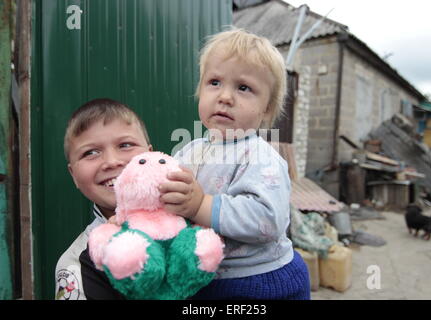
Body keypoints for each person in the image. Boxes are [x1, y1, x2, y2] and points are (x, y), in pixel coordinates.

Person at [159, 28, 311, 299]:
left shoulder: (260, 157)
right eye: (214, 82)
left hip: (257, 280)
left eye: (243, 88)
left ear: (266, 108)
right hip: (204, 275)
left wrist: (200, 205)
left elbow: (267, 219)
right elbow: (168, 195)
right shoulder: (189, 151)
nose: (225, 97)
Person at [55, 98, 153, 300]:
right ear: (73, 175)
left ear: (151, 155)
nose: (111, 161)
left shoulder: (198, 216)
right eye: (91, 152)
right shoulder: (78, 266)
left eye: (125, 145)